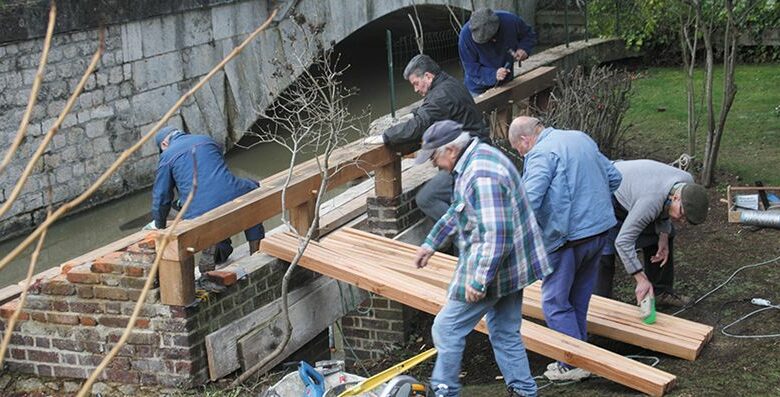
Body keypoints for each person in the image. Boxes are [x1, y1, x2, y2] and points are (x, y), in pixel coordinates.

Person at [413, 120, 552, 397]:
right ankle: (525, 392)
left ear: (451, 149)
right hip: (513, 265)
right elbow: (459, 208)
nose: (433, 164)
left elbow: (497, 236)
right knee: (504, 331)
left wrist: (479, 281)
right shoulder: (474, 160)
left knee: (446, 328)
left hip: (498, 266)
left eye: (434, 157)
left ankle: (444, 391)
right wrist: (431, 242)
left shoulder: (481, 174)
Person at [508, 117, 622, 382]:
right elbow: (614, 177)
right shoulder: (580, 138)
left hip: (567, 240)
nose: (521, 154)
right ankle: (580, 356)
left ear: (525, 139)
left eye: (518, 149)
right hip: (599, 233)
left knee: (555, 302)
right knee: (578, 299)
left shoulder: (540, 154)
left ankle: (572, 364)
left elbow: (529, 201)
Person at [363, 54, 489, 221]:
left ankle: (463, 232)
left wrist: (386, 137)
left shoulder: (441, 95)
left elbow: (420, 125)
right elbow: (428, 110)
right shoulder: (449, 84)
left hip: (467, 160)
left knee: (426, 198)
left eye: (416, 83)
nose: (415, 89)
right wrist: (412, 115)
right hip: (475, 150)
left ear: (428, 76)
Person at [593, 159, 709, 308]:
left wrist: (663, 236)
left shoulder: (687, 184)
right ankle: (599, 306)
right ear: (676, 198)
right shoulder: (650, 202)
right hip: (607, 192)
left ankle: (660, 292)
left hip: (641, 190)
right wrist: (640, 279)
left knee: (664, 234)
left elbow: (665, 204)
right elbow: (623, 242)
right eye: (682, 214)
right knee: (604, 250)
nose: (681, 220)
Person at [151, 126, 265, 272]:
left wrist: (159, 225)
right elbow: (216, 176)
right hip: (231, 194)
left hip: (199, 211)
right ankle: (256, 247)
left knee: (194, 205)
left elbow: (161, 197)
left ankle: (218, 247)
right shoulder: (206, 140)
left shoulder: (167, 156)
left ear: (165, 145)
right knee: (251, 190)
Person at [458, 8, 537, 95]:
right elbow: (471, 68)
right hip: (477, 87)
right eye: (488, 40)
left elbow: (529, 35)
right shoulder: (465, 37)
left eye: (494, 36)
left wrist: (524, 49)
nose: (494, 40)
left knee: (505, 105)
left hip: (506, 81)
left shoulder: (510, 21)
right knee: (480, 107)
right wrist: (493, 74)